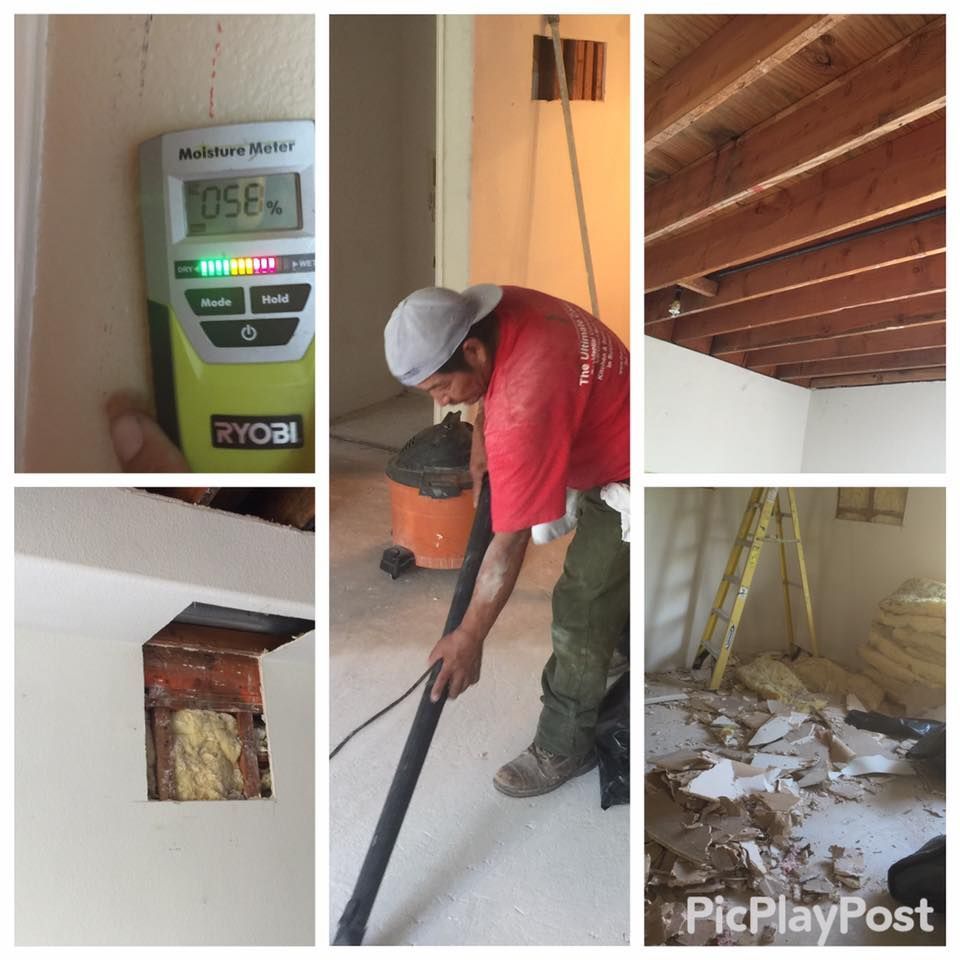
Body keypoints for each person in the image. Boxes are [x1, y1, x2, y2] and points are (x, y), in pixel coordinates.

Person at [384, 284, 629, 798]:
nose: (441, 401)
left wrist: (470, 637)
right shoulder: (501, 314)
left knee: (583, 605)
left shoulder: (525, 403)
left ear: (472, 350)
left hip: (632, 471)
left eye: (440, 387)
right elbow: (497, 384)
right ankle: (616, 649)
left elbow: (509, 544)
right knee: (607, 586)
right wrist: (480, 433)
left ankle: (564, 745)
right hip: (602, 417)